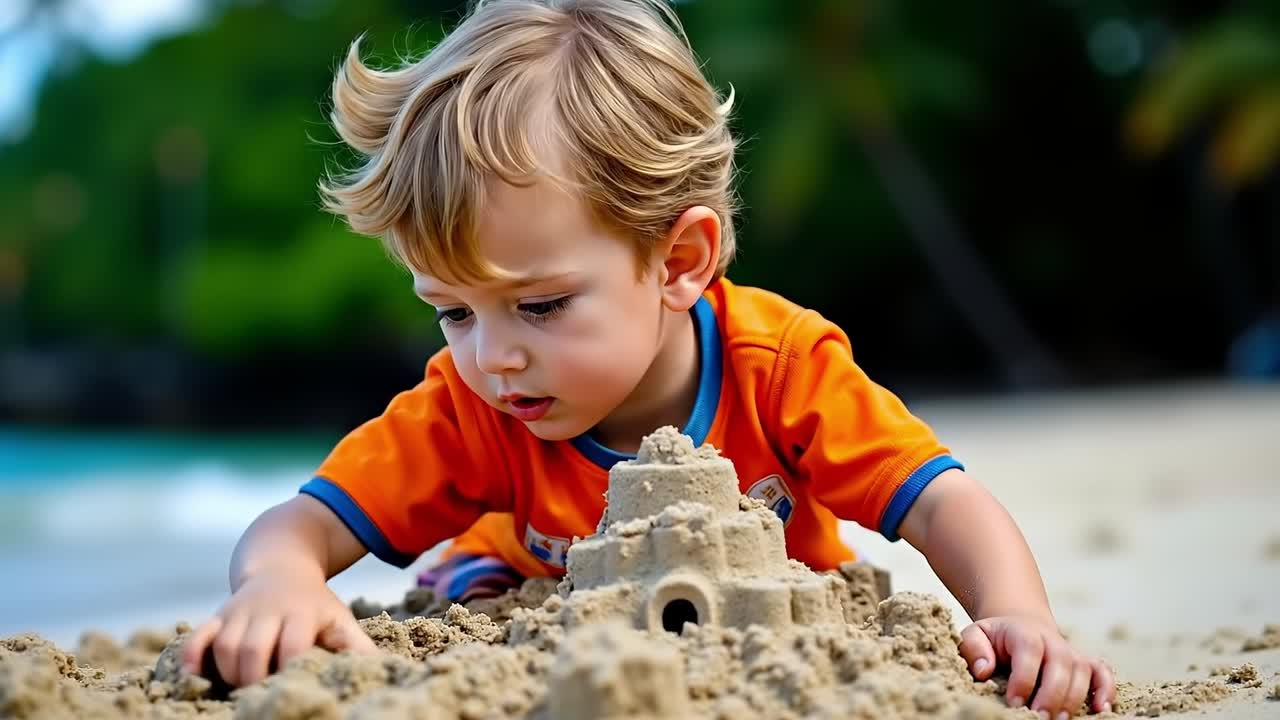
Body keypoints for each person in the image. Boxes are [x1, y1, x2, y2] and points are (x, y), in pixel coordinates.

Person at [183, 1, 1116, 715]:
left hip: (760, 623)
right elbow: (299, 524)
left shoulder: (780, 363)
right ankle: (467, 567)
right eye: (452, 313)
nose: (492, 358)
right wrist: (279, 584)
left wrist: (1019, 615)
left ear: (679, 262)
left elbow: (944, 497)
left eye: (539, 305)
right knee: (477, 577)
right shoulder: (471, 408)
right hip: (533, 591)